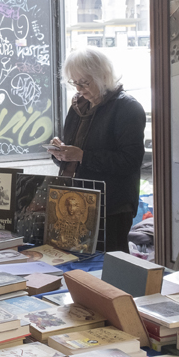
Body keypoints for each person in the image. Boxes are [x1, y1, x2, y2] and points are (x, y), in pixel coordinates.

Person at [48, 48, 146, 253]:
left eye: (84, 82)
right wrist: (61, 153)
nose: (79, 88)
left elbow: (130, 161)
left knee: (110, 268)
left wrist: (82, 156)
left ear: (102, 76)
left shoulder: (127, 108)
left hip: (111, 206)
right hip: (77, 202)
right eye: (74, 82)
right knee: (77, 264)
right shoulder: (78, 107)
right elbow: (73, 158)